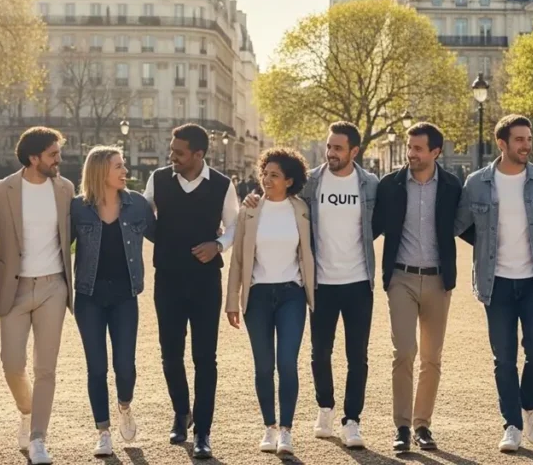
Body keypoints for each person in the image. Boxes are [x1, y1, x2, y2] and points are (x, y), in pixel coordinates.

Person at [245, 122, 381, 447]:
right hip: (321, 283)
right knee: (320, 352)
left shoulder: (370, 184)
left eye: (338, 148)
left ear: (354, 152)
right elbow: (278, 200)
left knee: (357, 355)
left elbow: (376, 224)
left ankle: (352, 420)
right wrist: (253, 199)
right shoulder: (312, 183)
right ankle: (325, 408)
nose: (331, 153)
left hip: (359, 281)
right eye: (329, 146)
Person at [454, 114, 533, 453]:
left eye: (529, 139)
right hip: (496, 282)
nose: (526, 145)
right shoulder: (476, 183)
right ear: (502, 143)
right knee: (504, 358)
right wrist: (485, 244)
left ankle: (528, 405)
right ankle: (512, 424)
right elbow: (459, 225)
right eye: (519, 140)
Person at [143, 123, 240, 460]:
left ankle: (203, 431)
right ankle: (180, 413)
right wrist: (164, 240)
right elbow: (142, 218)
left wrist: (218, 244)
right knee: (170, 354)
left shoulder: (223, 185)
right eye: (172, 151)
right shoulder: (157, 180)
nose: (173, 157)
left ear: (199, 154)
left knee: (204, 358)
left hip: (204, 282)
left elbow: (235, 226)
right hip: (167, 279)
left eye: (179, 153)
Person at [373, 122, 464, 453]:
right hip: (401, 278)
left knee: (431, 357)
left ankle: (423, 425)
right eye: (409, 148)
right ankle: (402, 426)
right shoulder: (390, 185)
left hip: (439, 281)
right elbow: (368, 226)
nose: (410, 154)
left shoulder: (453, 186)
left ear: (435, 152)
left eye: (417, 149)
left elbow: (470, 228)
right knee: (405, 352)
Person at [0, 127, 75, 465]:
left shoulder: (66, 189)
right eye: (54, 154)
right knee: (12, 363)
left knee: (46, 368)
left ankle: (39, 437)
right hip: (14, 287)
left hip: (54, 286)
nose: (59, 160)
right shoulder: (2, 190)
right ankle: (27, 409)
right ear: (33, 158)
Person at [226, 147, 315, 456]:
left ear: (290, 180)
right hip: (258, 296)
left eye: (274, 175)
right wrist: (232, 302)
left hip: (292, 294)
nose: (266, 179)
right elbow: (238, 260)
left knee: (287, 363)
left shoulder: (302, 210)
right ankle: (269, 427)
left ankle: (287, 430)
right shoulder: (249, 210)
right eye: (264, 173)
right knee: (264, 366)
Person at [70, 146, 156, 456]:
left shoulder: (137, 206)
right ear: (99, 172)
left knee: (125, 366)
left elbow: (165, 236)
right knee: (96, 367)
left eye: (123, 164)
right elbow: (56, 245)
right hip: (89, 296)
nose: (125, 171)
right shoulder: (78, 208)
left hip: (124, 295)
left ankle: (125, 405)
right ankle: (103, 431)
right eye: (118, 166)